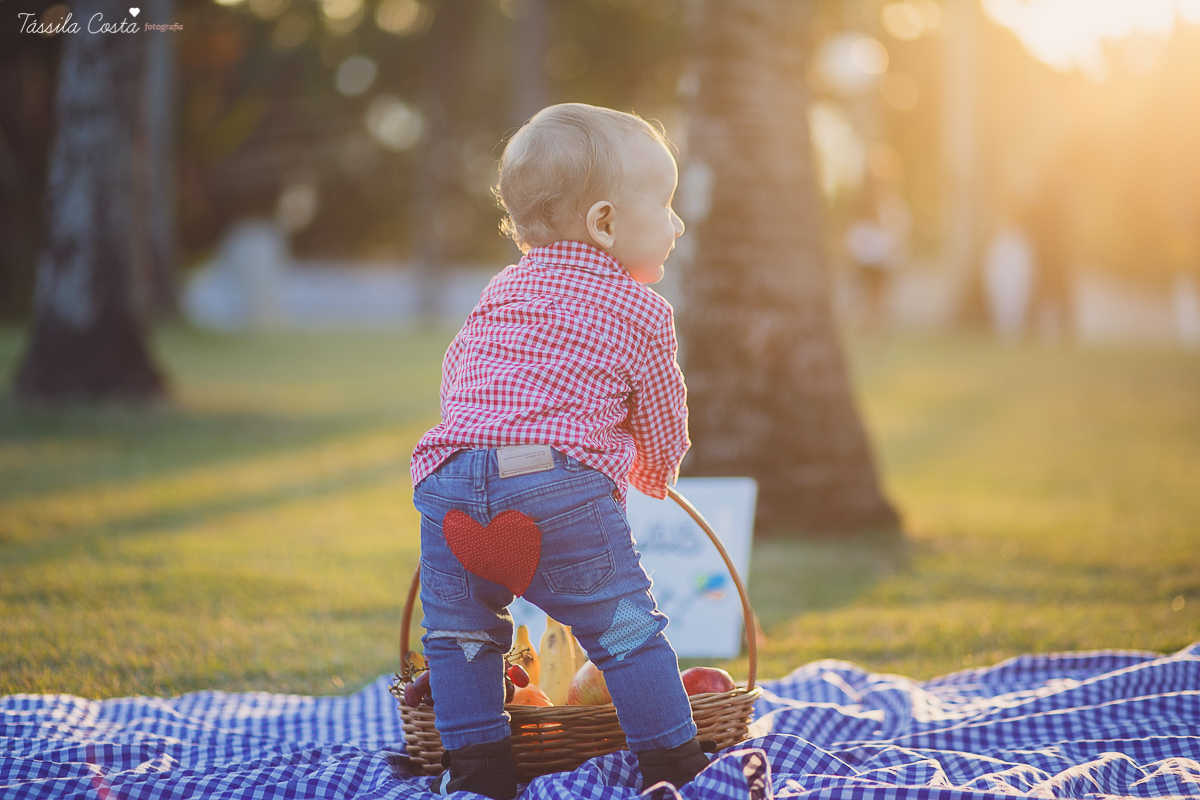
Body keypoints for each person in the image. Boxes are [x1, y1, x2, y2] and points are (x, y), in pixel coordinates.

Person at [409, 103, 706, 799]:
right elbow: (663, 412)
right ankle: (676, 769)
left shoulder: (503, 289)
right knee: (627, 629)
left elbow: (460, 371)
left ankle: (478, 776)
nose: (677, 223)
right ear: (605, 224)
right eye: (664, 205)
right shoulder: (642, 310)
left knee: (459, 637)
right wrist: (655, 472)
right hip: (555, 483)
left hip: (448, 477)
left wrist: (481, 443)